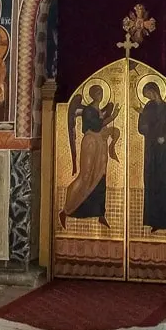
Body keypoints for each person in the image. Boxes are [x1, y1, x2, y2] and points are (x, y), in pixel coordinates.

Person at [59, 84, 121, 227]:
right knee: (85, 175)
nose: (99, 94)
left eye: (101, 92)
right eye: (96, 92)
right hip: (91, 143)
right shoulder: (88, 110)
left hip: (101, 144)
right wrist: (112, 116)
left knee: (101, 175)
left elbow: (102, 127)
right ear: (92, 94)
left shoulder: (100, 110)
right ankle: (66, 210)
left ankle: (100, 213)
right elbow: (95, 126)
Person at [138, 81, 166, 234]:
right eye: (146, 96)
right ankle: (155, 221)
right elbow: (142, 128)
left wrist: (164, 137)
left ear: (154, 91)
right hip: (152, 152)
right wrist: (142, 116)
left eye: (149, 94)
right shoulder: (148, 107)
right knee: (153, 183)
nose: (148, 98)